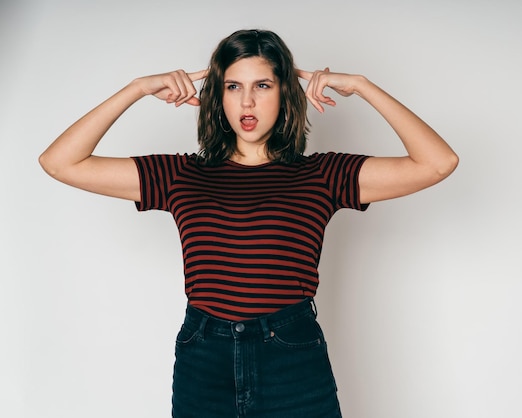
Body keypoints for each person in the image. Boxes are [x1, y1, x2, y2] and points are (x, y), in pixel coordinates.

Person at [39, 29, 458, 418]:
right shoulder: (181, 174)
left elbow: (438, 163)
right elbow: (59, 163)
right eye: (233, 86)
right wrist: (136, 88)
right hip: (204, 360)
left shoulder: (322, 175)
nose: (247, 103)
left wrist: (363, 86)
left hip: (293, 359)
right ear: (217, 96)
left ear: (285, 93)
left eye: (263, 85)